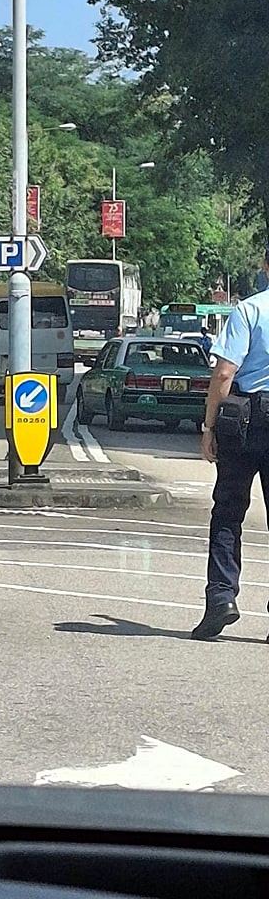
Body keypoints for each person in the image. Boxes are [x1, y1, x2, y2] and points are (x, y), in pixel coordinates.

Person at [192, 252, 269, 640]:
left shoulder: (249, 310)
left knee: (228, 511)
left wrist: (209, 426)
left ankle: (221, 598)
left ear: (265, 268)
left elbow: (224, 372)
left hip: (246, 419)